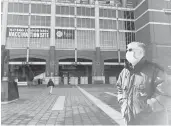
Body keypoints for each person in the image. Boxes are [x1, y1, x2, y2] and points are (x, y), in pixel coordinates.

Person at [116, 42, 171, 125]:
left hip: (150, 121)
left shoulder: (155, 70)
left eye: (130, 50)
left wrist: (146, 107)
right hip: (130, 120)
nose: (127, 53)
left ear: (140, 52)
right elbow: (119, 88)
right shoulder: (124, 72)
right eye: (127, 50)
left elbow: (164, 94)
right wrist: (122, 101)